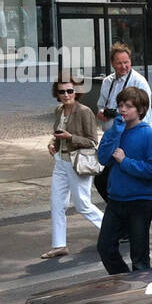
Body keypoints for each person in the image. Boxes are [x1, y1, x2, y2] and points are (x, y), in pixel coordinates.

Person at [95, 86, 152, 273]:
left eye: (129, 106)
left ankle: (141, 291)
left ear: (140, 110)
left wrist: (125, 162)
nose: (123, 109)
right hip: (116, 200)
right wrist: (115, 132)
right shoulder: (116, 130)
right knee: (105, 247)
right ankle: (123, 280)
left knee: (139, 255)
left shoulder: (148, 135)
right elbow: (102, 158)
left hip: (139, 202)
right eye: (121, 105)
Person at [41, 78, 105, 258]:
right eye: (62, 92)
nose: (66, 95)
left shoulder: (84, 112)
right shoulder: (59, 111)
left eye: (69, 91)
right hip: (61, 161)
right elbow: (57, 133)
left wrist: (70, 138)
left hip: (78, 163)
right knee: (57, 204)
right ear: (57, 94)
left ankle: (111, 230)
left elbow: (93, 142)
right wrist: (52, 142)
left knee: (82, 204)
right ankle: (59, 245)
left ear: (76, 92)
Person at [96, 42, 152, 125]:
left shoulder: (139, 82)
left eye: (126, 62)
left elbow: (145, 112)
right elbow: (101, 105)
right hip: (110, 134)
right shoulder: (107, 81)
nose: (123, 66)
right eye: (119, 63)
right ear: (112, 63)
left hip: (130, 133)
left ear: (130, 61)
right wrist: (101, 113)